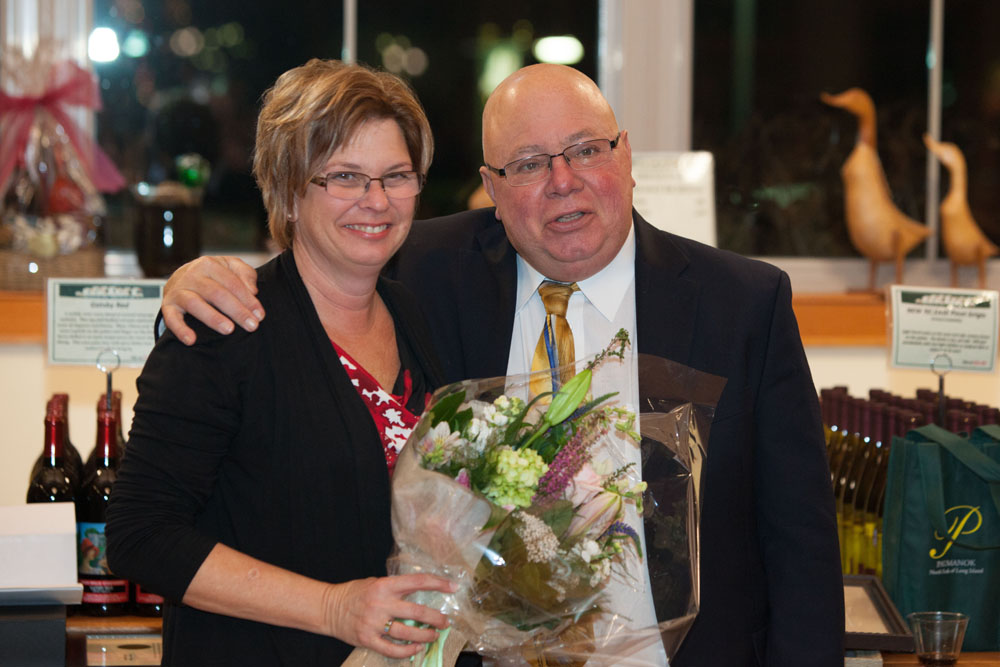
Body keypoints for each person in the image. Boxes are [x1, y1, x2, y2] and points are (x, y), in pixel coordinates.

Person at [158, 64, 845, 666]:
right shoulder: (424, 272)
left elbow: (803, 550)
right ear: (490, 185)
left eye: (585, 150)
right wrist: (192, 286)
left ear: (626, 154)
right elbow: (311, 269)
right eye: (527, 163)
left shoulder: (744, 305)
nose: (563, 182)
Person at [105, 59, 458, 666]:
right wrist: (333, 608)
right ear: (290, 190)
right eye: (345, 177)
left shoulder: (414, 315)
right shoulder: (225, 326)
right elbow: (141, 537)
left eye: (396, 175)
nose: (376, 200)